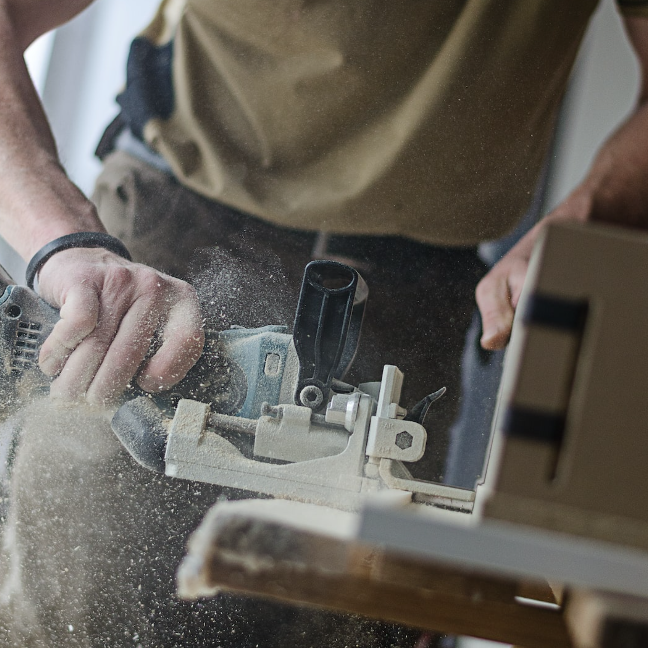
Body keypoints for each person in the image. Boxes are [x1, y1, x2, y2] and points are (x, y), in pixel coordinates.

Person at [0, 1, 647, 646]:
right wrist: (65, 240)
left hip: (419, 279)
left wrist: (586, 218)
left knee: (348, 622)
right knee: (76, 609)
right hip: (168, 243)